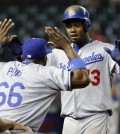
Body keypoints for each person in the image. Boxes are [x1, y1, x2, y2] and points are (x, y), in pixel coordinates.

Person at [0, 18, 90, 133]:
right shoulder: (45, 74)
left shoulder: (4, 67)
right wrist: (67, 47)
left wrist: (1, 45)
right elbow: (82, 79)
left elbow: (26, 71)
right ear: (44, 57)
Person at [45, 5, 120, 134]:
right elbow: (33, 68)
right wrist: (19, 55)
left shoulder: (105, 49)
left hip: (96, 117)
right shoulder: (59, 53)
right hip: (69, 119)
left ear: (86, 25)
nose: (72, 30)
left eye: (76, 25)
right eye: (69, 26)